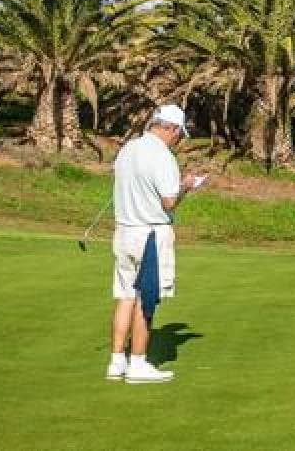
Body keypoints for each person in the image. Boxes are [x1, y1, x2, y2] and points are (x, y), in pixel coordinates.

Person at [105, 104, 200, 383]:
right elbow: (169, 201)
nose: (177, 139)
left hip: (123, 232)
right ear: (170, 128)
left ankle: (116, 362)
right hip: (149, 235)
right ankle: (137, 364)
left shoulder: (128, 148)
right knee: (146, 301)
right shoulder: (162, 156)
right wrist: (186, 185)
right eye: (178, 134)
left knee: (125, 296)